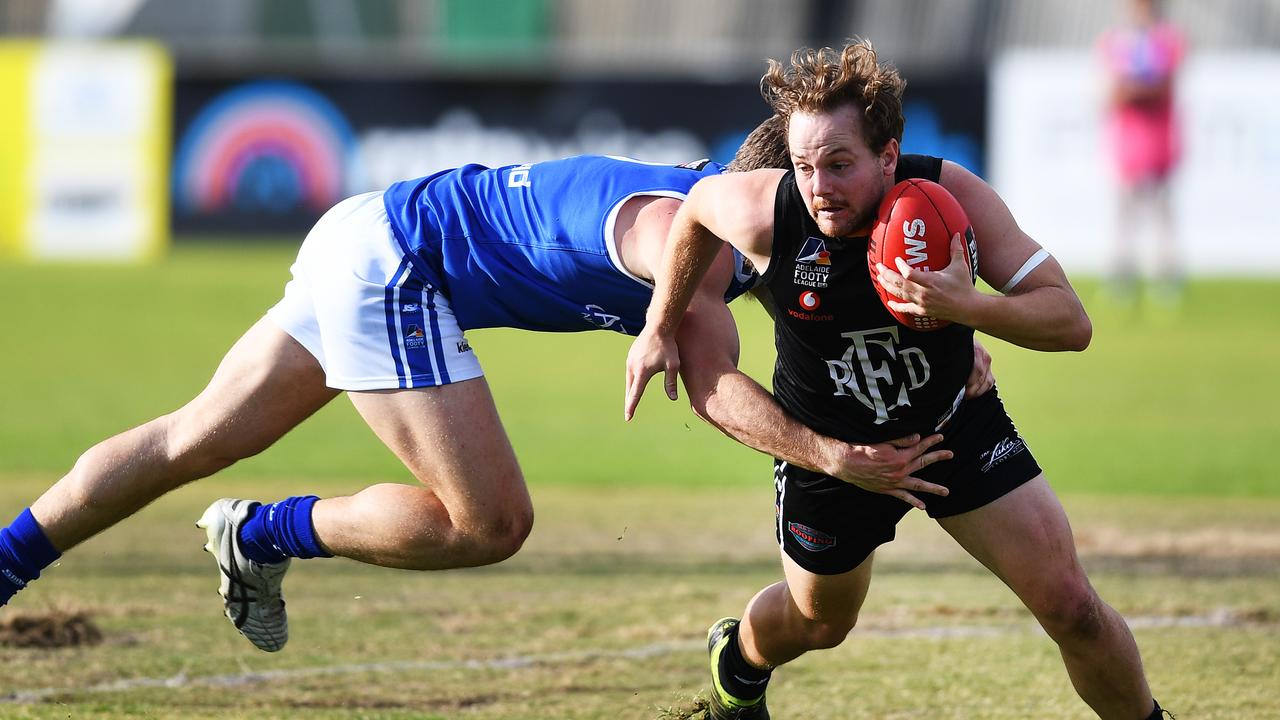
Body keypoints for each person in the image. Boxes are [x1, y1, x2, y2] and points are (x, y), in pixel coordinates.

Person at [0, 122, 995, 656]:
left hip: (371, 227)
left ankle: (8, 561)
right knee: (489, 524)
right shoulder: (682, 248)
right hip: (394, 268)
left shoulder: (728, 220)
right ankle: (263, 535)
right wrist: (835, 457)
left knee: (192, 438)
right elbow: (714, 388)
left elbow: (811, 304)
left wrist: (948, 344)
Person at [625, 40, 1168, 720]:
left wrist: (966, 309)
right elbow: (698, 204)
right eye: (804, 165)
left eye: (840, 164)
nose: (819, 185)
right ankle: (739, 662)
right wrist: (657, 323)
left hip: (950, 424)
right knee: (819, 623)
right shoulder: (772, 210)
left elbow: (1072, 322)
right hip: (828, 450)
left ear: (888, 155)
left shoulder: (952, 197)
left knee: (1073, 607)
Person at [1099, 0, 1185, 303]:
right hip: (1128, 146)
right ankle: (1121, 281)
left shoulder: (1167, 40)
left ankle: (1166, 282)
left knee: (1162, 217)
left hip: (1159, 144)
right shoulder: (1117, 41)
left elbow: (1163, 87)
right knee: (1124, 218)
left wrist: (1134, 89)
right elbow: (1110, 94)